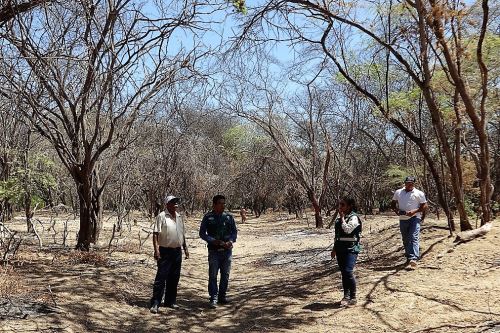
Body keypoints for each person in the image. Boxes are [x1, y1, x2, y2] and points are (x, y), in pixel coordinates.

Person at [150, 195, 189, 314]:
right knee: (161, 277)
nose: (176, 204)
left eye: (177, 202)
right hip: (165, 251)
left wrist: (185, 248)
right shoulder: (161, 216)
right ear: (167, 204)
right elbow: (155, 234)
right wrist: (156, 250)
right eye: (173, 202)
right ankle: (156, 302)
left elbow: (182, 234)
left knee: (174, 277)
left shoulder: (179, 217)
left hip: (177, 251)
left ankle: (170, 301)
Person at [199, 194, 238, 308]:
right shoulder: (208, 217)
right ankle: (213, 298)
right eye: (220, 203)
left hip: (227, 251)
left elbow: (234, 232)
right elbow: (202, 233)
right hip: (214, 251)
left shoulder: (229, 217)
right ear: (214, 204)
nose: (223, 205)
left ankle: (222, 296)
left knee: (225, 275)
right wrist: (212, 241)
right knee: (213, 275)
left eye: (224, 203)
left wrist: (231, 241)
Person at [391, 176, 428, 270]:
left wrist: (414, 211)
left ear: (414, 184)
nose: (409, 184)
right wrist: (397, 211)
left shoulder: (419, 193)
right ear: (405, 183)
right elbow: (393, 203)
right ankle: (408, 257)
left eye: (411, 183)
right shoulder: (398, 192)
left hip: (415, 217)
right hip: (403, 218)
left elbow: (424, 206)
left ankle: (414, 258)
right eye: (408, 183)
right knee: (405, 238)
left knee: (413, 237)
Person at [330, 197, 362, 306]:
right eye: (340, 205)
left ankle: (353, 296)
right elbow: (337, 236)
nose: (340, 207)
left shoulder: (354, 218)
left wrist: (343, 218)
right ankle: (346, 296)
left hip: (351, 249)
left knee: (348, 271)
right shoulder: (339, 219)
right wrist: (334, 249)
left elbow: (348, 230)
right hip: (340, 249)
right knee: (344, 273)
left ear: (349, 206)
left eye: (343, 205)